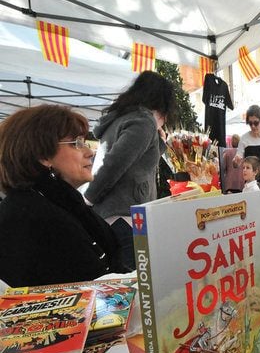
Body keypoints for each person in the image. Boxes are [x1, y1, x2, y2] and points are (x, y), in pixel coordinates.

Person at [0, 105, 123, 287]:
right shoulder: (28, 215)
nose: (89, 152)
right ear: (43, 156)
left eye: (84, 142)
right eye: (76, 143)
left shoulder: (62, 202)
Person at [84, 71, 176, 271]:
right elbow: (115, 163)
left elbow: (138, 160)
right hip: (124, 215)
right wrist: (88, 199)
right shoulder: (143, 121)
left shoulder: (125, 118)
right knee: (133, 284)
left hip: (114, 214)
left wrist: (159, 142)